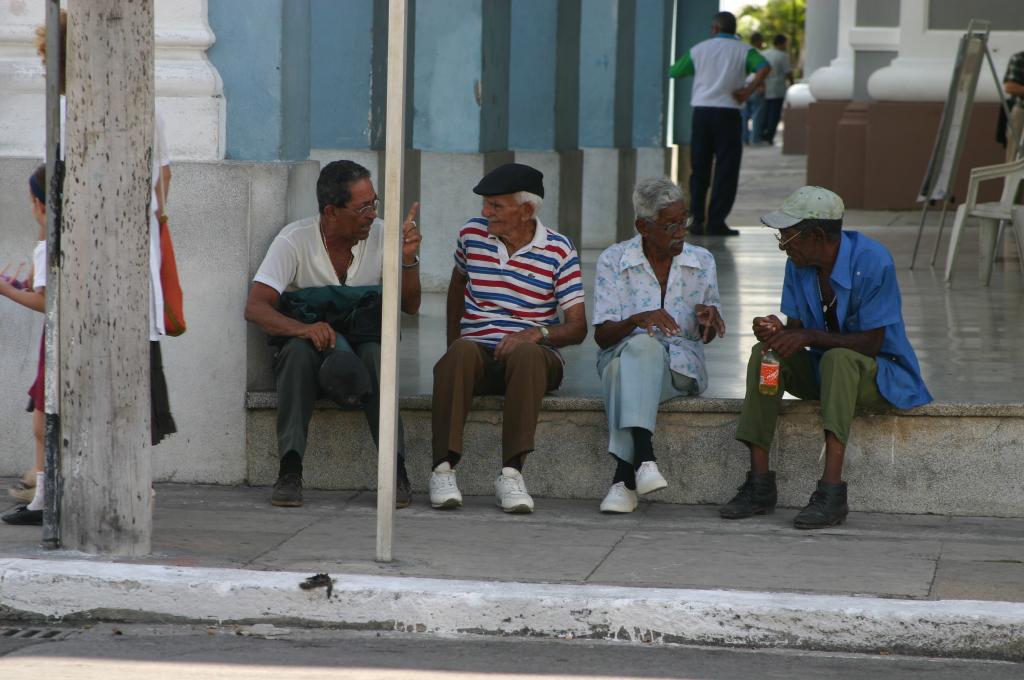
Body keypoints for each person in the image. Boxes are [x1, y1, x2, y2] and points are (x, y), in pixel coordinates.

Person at [720, 186, 932, 529]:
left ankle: (831, 492)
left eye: (788, 236)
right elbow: (796, 330)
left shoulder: (873, 261)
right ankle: (759, 483)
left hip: (877, 375)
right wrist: (776, 331)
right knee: (766, 355)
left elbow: (872, 343)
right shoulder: (799, 264)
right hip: (824, 373)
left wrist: (809, 337)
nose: (782, 244)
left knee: (839, 359)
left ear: (817, 236)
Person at [245, 161, 421, 509]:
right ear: (330, 211)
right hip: (313, 355)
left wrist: (408, 261)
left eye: (374, 203)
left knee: (377, 354)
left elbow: (411, 306)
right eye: (362, 208)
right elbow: (255, 307)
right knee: (296, 353)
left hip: (362, 352)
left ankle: (395, 469)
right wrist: (304, 329)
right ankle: (290, 469)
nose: (373, 214)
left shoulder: (384, 236)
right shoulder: (295, 240)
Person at [429, 163, 587, 514]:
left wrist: (535, 334)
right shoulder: (471, 235)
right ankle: (442, 470)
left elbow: (578, 327)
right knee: (460, 353)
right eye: (485, 204)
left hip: (535, 360)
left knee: (527, 354)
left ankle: (512, 474)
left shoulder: (559, 250)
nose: (486, 212)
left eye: (496, 205)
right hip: (480, 355)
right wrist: (454, 343)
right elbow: (457, 283)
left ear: (527, 210)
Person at [592, 178, 725, 513]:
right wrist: (636, 320)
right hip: (621, 354)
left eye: (684, 221)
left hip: (681, 368)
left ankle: (627, 474)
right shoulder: (613, 260)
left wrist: (709, 322)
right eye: (670, 226)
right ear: (643, 226)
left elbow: (706, 335)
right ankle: (641, 463)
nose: (681, 232)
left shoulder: (702, 261)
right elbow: (603, 336)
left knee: (625, 369)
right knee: (640, 348)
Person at [669, 11, 769, 236]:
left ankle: (696, 220)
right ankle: (716, 222)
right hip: (729, 114)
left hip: (702, 113)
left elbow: (675, 71)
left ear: (714, 28)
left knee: (699, 168)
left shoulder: (699, 49)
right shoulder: (745, 50)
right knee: (727, 169)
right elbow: (764, 67)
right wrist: (747, 91)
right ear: (734, 29)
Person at [1, 165, 49, 526]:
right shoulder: (51, 244)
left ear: (39, 204)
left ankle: (43, 497)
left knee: (41, 423)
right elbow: (38, 287)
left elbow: (45, 301)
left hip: (57, 341)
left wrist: (6, 290)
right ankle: (41, 495)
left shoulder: (49, 248)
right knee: (41, 421)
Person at [755, 34, 794, 146]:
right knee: (774, 113)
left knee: (765, 112)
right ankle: (769, 136)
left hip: (765, 86)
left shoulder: (764, 53)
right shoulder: (783, 56)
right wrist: (792, 84)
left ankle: (761, 133)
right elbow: (788, 72)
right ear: (781, 44)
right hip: (777, 88)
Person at [740, 32, 766, 145]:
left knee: (744, 115)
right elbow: (762, 72)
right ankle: (755, 139)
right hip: (756, 86)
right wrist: (761, 85)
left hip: (744, 86)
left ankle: (744, 138)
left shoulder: (743, 53)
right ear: (758, 41)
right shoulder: (757, 54)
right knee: (757, 114)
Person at [1002, 50, 1024, 161]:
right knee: (1014, 154)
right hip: (1022, 110)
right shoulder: (1019, 58)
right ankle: (1012, 171)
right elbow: (1010, 87)